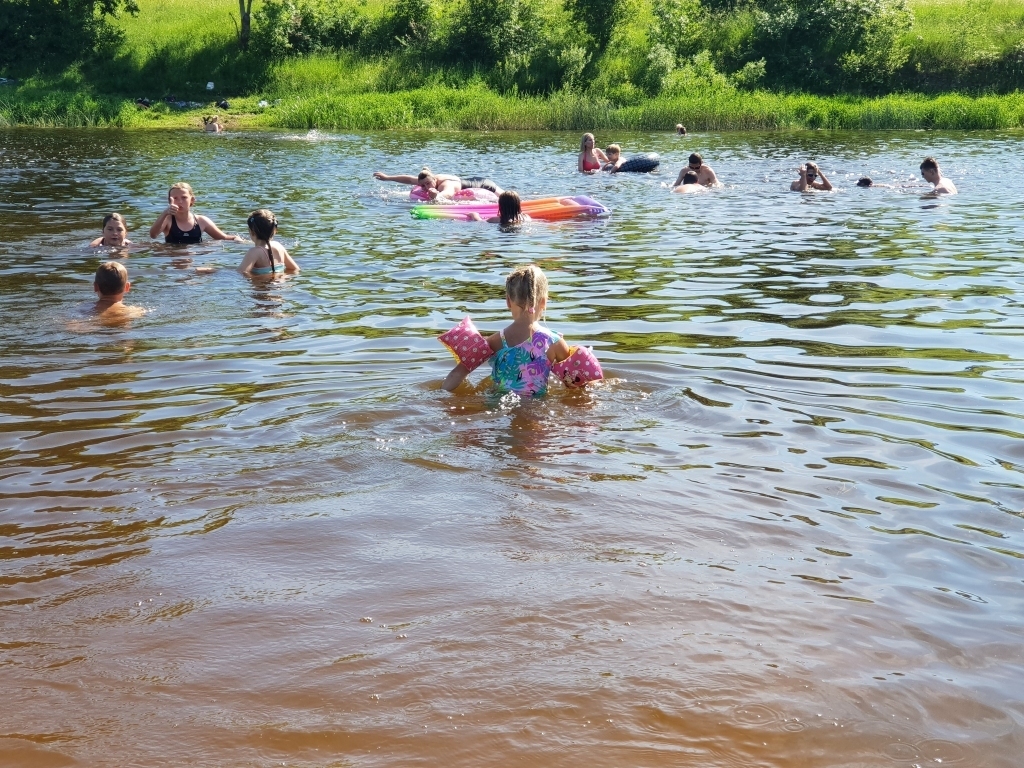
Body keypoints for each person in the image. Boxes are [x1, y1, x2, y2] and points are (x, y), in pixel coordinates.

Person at [442, 264, 572, 396]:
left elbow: (457, 373)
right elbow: (575, 381)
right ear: (544, 302)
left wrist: (442, 395)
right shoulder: (555, 342)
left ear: (508, 301)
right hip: (536, 406)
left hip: (497, 404)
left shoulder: (495, 341)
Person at [149, 182, 242, 244]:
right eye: (175, 198)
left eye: (184, 197)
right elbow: (153, 235)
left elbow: (223, 237)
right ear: (170, 201)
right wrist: (165, 213)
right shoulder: (167, 219)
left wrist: (235, 239)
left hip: (194, 257)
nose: (180, 201)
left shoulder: (201, 221)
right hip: (173, 257)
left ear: (192, 200)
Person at [237, 209, 300, 276]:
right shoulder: (279, 246)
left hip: (261, 285)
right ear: (274, 231)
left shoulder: (254, 252)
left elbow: (241, 273)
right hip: (280, 285)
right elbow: (295, 269)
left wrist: (255, 279)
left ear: (251, 231)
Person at [373, 168, 503, 200]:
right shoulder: (427, 180)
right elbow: (408, 179)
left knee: (508, 198)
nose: (426, 187)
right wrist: (387, 178)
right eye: (423, 185)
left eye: (428, 184)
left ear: (434, 179)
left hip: (484, 184)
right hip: (471, 179)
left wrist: (437, 196)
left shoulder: (445, 184)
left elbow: (448, 194)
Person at [467, 191, 532, 226]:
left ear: (501, 206)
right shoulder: (526, 217)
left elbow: (480, 222)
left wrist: (474, 215)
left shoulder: (495, 220)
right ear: (518, 205)